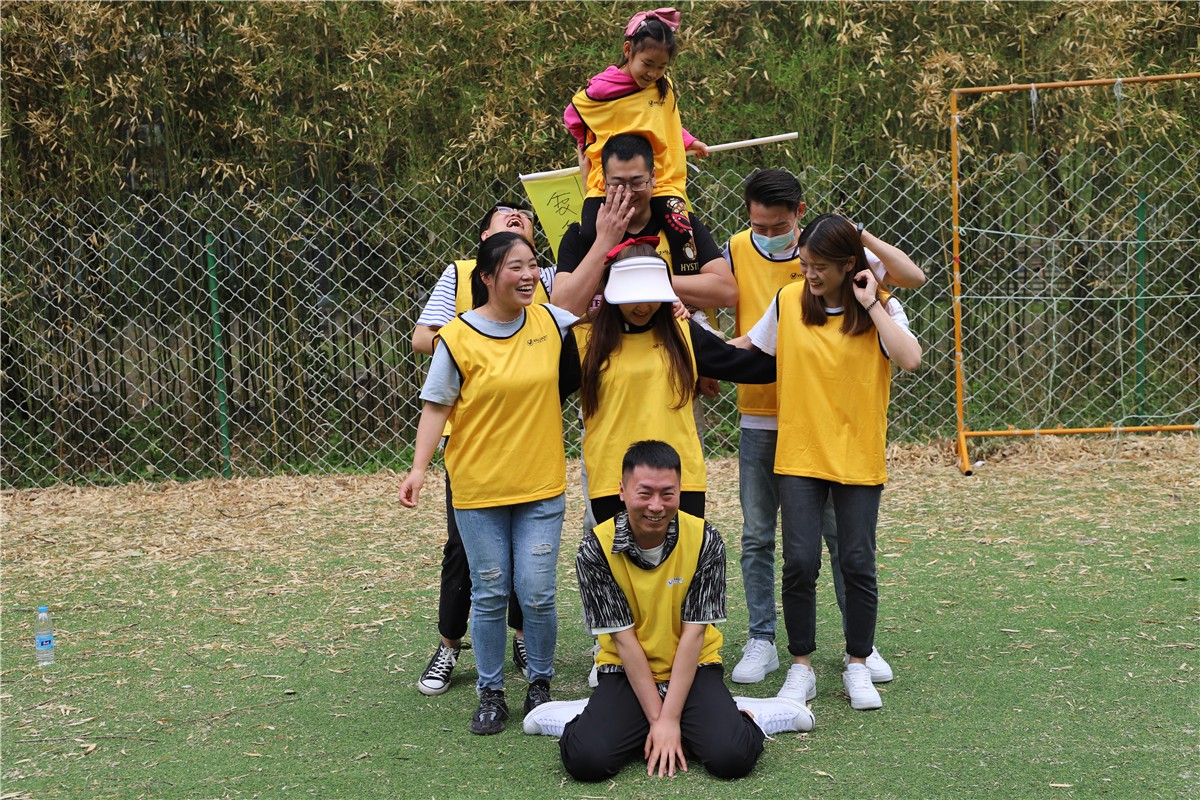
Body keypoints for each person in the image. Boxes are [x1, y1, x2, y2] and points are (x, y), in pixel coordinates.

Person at [726, 170, 926, 687]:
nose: (807, 273)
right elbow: (748, 348)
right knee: (798, 561)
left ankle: (859, 658)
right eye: (805, 264)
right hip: (799, 452)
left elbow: (910, 359)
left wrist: (873, 303)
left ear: (847, 266)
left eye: (818, 266)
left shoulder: (878, 304)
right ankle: (801, 665)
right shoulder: (790, 301)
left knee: (856, 559)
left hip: (857, 454)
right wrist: (687, 338)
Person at [523, 441, 814, 781]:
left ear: (680, 491)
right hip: (625, 669)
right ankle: (585, 716)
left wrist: (670, 720)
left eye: (667, 494)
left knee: (731, 757)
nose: (656, 506)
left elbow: (694, 635)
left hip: (694, 667)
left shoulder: (705, 539)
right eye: (644, 493)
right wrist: (660, 722)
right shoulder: (595, 548)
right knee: (587, 760)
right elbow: (624, 641)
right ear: (622, 491)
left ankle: (749, 716)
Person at [400, 231, 580, 734]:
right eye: (515, 267)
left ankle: (539, 684)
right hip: (479, 490)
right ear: (487, 277)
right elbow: (436, 406)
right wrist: (418, 469)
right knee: (490, 591)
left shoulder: (552, 321)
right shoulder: (457, 337)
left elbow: (607, 310)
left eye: (533, 265)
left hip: (541, 485)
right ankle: (491, 691)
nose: (529, 275)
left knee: (537, 593)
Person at [410, 202, 551, 697]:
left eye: (524, 215)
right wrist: (477, 342)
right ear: (486, 249)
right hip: (473, 444)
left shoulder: (546, 284)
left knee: (529, 568)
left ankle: (524, 642)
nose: (516, 215)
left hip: (530, 449)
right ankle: (450, 644)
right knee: (465, 552)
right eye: (504, 215)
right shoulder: (459, 277)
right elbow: (422, 337)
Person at [575, 241, 774, 524]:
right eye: (632, 296)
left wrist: (794, 335)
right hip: (614, 482)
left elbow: (743, 365)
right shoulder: (584, 338)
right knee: (620, 555)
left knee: (683, 554)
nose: (643, 306)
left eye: (652, 295)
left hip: (680, 481)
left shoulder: (681, 331)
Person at [552, 133, 736, 326]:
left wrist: (648, 279)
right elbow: (562, 308)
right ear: (604, 181)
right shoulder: (582, 234)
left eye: (637, 182)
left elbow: (727, 292)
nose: (628, 193)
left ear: (653, 177)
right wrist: (604, 243)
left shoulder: (681, 225)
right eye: (617, 184)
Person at [564, 7, 708, 247]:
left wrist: (689, 142)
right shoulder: (602, 89)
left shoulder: (662, 86)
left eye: (661, 66)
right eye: (647, 63)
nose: (653, 73)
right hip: (611, 181)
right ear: (628, 50)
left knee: (682, 233)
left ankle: (683, 273)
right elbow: (573, 117)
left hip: (659, 180)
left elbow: (665, 122)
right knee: (590, 234)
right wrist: (588, 146)